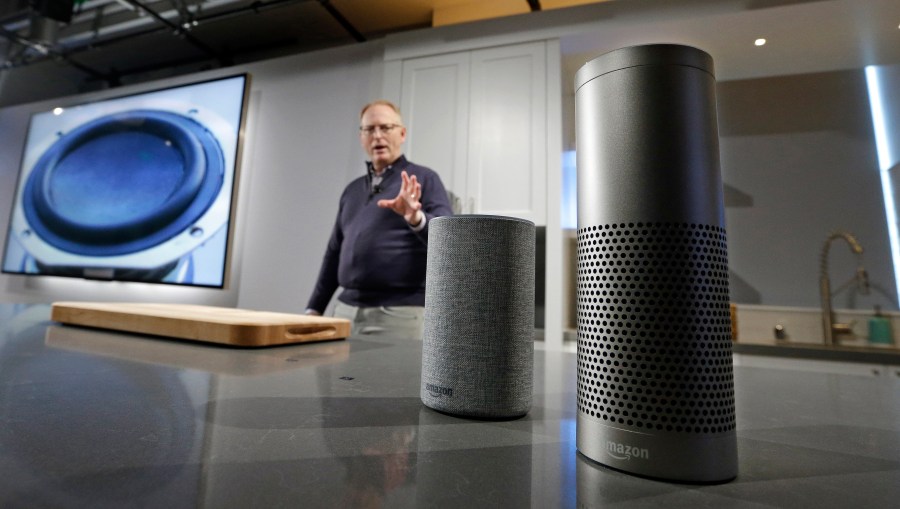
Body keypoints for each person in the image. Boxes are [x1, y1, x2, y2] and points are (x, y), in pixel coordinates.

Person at [305, 100, 453, 338]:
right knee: (335, 377)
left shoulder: (424, 179)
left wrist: (415, 217)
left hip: (399, 314)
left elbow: (450, 241)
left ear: (402, 133)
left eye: (385, 128)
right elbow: (334, 253)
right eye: (369, 129)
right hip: (344, 312)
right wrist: (314, 309)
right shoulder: (352, 190)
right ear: (361, 137)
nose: (377, 136)